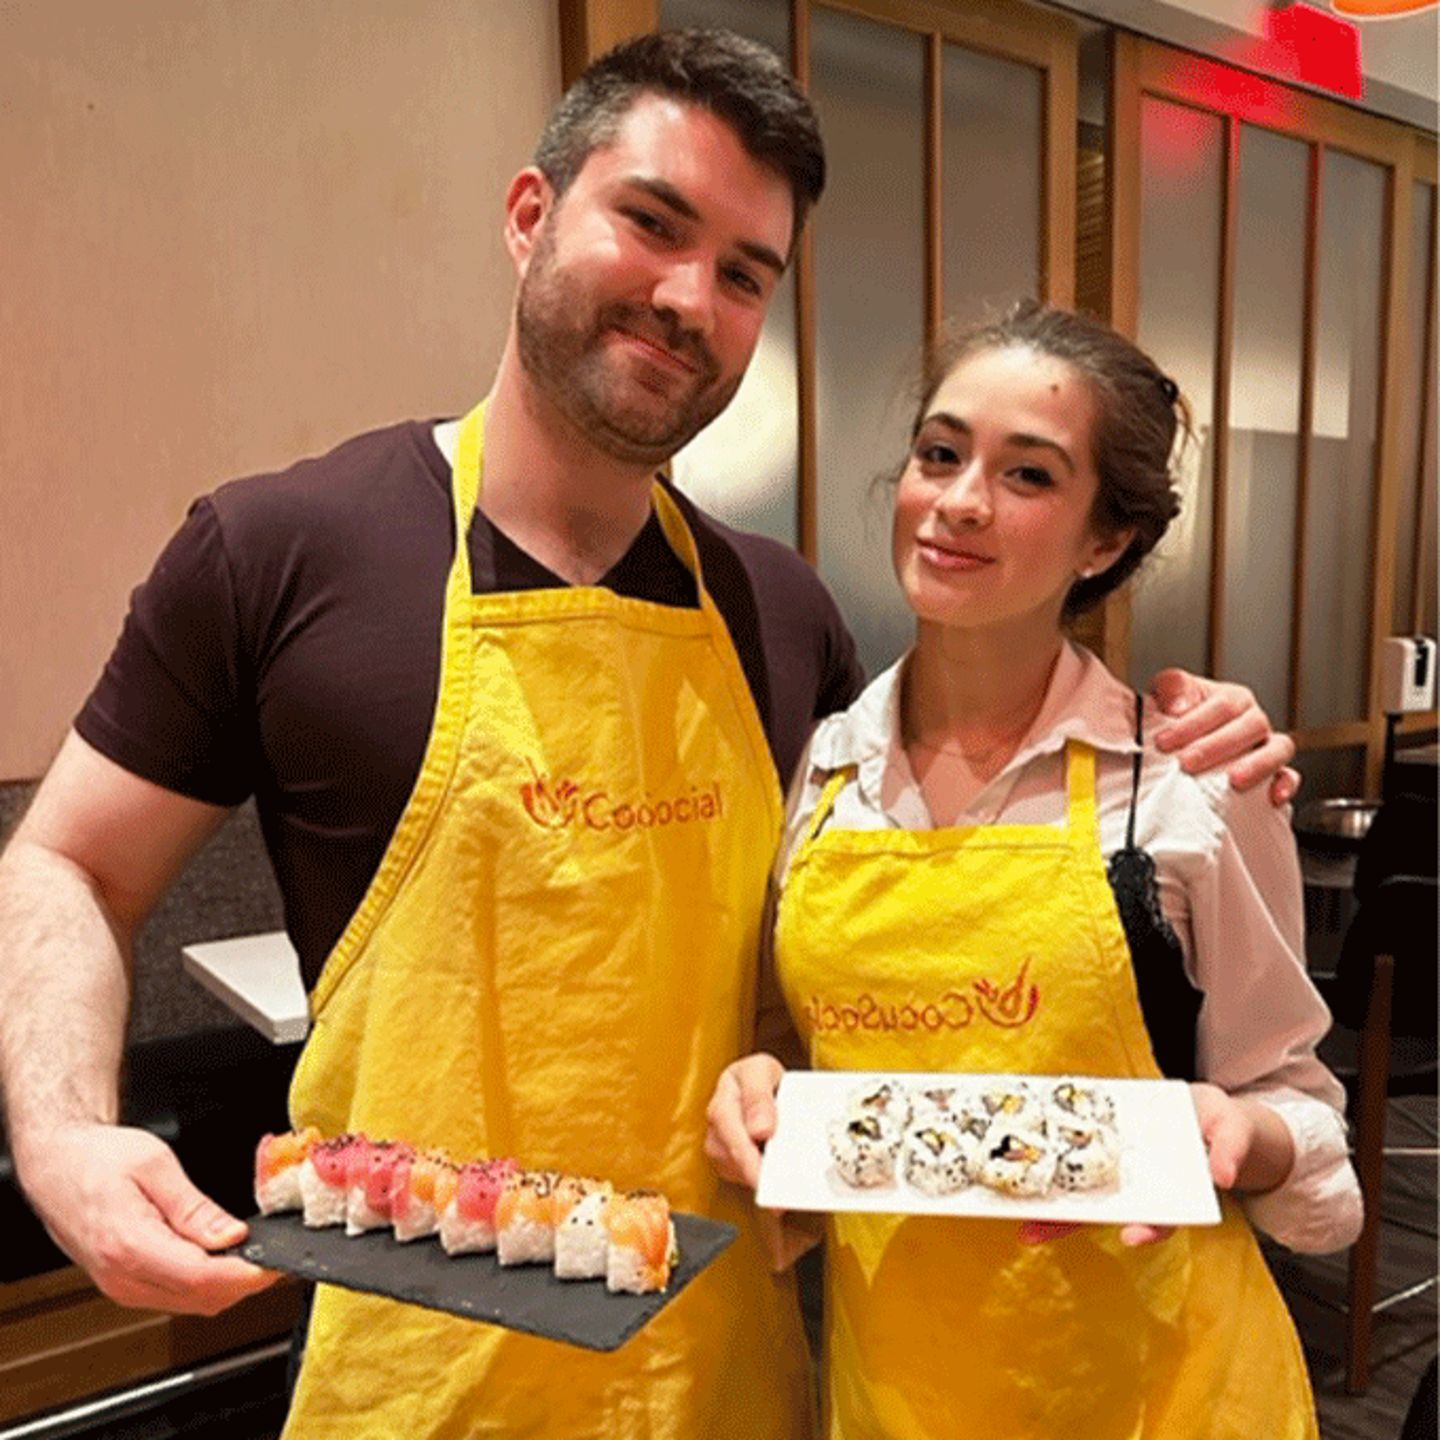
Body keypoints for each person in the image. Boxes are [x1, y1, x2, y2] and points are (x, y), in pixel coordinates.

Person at [0, 32, 1294, 1440]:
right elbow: (68, 864)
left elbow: (891, 928)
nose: (690, 298)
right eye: (654, 222)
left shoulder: (780, 614)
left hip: (722, 1375)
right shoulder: (282, 552)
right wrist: (61, 1133)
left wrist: (1173, 735)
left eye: (745, 273)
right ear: (530, 213)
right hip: (420, 1377)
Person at [705, 303, 1360, 1440]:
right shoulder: (828, 773)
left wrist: (1245, 1139)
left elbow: (1299, 1109)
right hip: (898, 1387)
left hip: (1159, 1392)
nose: (961, 501)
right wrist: (763, 1086)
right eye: (940, 453)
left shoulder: (1189, 782)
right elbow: (820, 1055)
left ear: (1104, 541)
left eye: (1029, 475)